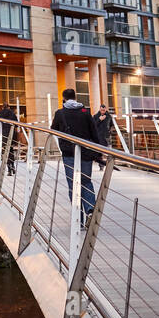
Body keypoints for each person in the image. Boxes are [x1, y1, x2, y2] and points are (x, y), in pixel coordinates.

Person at [51, 88, 106, 226]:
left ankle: (78, 219)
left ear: (64, 98)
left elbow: (53, 130)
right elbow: (94, 132)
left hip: (69, 153)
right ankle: (90, 209)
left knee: (73, 184)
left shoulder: (60, 113)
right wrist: (98, 152)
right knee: (86, 181)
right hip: (86, 153)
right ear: (75, 98)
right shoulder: (85, 112)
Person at [0, 102, 19, 174]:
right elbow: (17, 124)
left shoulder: (0, 114)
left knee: (6, 151)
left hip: (4, 135)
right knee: (11, 150)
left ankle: (9, 169)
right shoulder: (12, 113)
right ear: (8, 107)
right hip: (11, 135)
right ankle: (12, 166)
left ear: (2, 107)